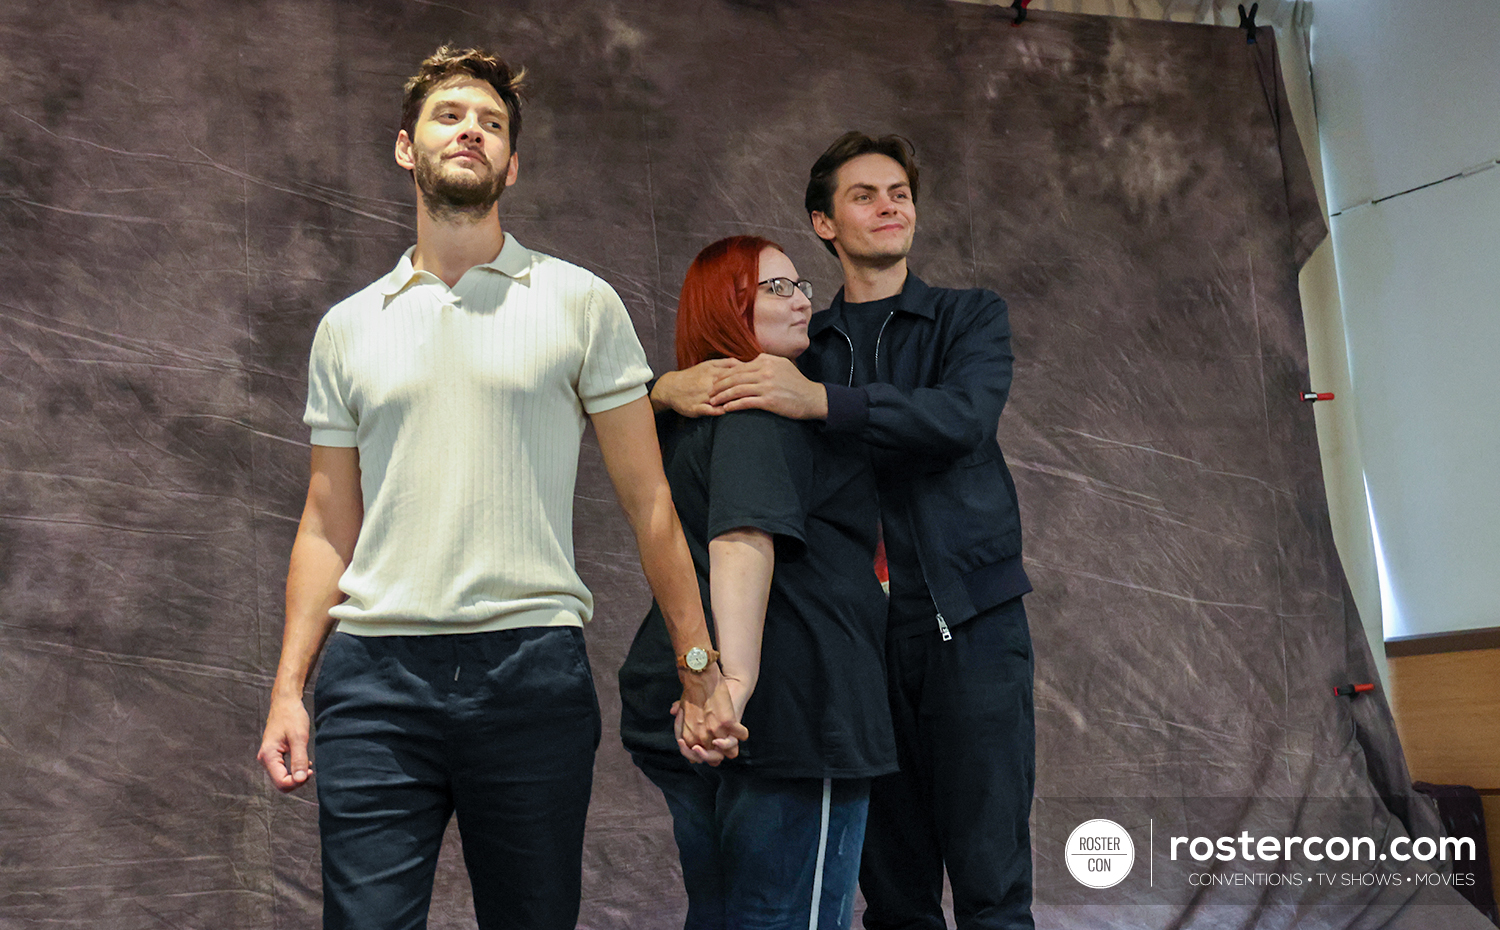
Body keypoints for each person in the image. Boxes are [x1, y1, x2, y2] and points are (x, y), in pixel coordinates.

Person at [254, 46, 742, 930]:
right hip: (372, 683)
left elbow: (652, 507)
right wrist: (292, 686)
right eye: (449, 116)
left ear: (511, 165)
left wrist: (699, 667)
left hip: (529, 674)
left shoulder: (579, 302)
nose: (469, 130)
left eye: (490, 123)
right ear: (408, 148)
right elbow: (328, 521)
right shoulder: (347, 328)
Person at [652, 134, 1035, 929]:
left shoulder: (968, 316)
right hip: (853, 650)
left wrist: (819, 403)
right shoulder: (798, 339)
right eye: (864, 195)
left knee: (992, 880)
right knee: (892, 892)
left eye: (899, 191)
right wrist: (663, 387)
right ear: (824, 223)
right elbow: (710, 429)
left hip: (971, 628)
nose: (889, 205)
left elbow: (962, 418)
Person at [619, 236, 897, 930]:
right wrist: (729, 684)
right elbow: (742, 540)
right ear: (729, 305)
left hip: (701, 710)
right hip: (782, 717)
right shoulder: (756, 404)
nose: (803, 298)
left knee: (722, 915)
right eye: (776, 288)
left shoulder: (685, 415)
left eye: (801, 284)